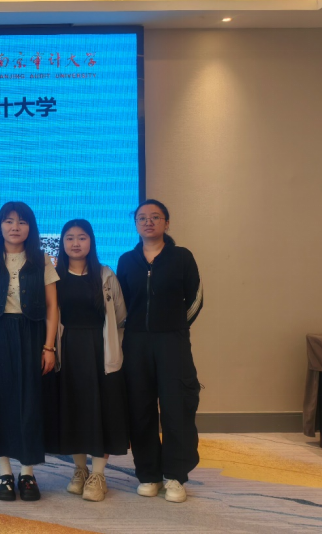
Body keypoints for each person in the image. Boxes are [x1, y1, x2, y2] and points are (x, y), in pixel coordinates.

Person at [0, 202, 58, 501]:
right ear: (0, 226)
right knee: (1, 401)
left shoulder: (41, 259)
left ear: (30, 227)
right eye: (8, 221)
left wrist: (49, 346)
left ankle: (28, 473)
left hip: (32, 334)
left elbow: (52, 306)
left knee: (30, 402)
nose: (15, 227)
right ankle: (5, 471)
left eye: (21, 221)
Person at [116, 199, 203, 503]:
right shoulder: (127, 260)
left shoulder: (182, 257)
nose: (148, 222)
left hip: (172, 343)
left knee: (177, 408)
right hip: (136, 344)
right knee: (140, 409)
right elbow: (122, 304)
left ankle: (176, 476)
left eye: (155, 217)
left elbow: (195, 300)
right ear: (136, 224)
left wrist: (175, 327)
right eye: (142, 217)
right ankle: (148, 474)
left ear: (167, 223)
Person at [52, 219, 128, 502]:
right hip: (67, 350)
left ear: (91, 241)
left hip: (100, 350)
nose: (75, 243)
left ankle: (98, 475)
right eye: (69, 238)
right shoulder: (54, 276)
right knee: (73, 409)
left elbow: (120, 314)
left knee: (101, 411)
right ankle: (80, 470)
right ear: (62, 243)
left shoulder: (105, 275)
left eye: (82, 237)